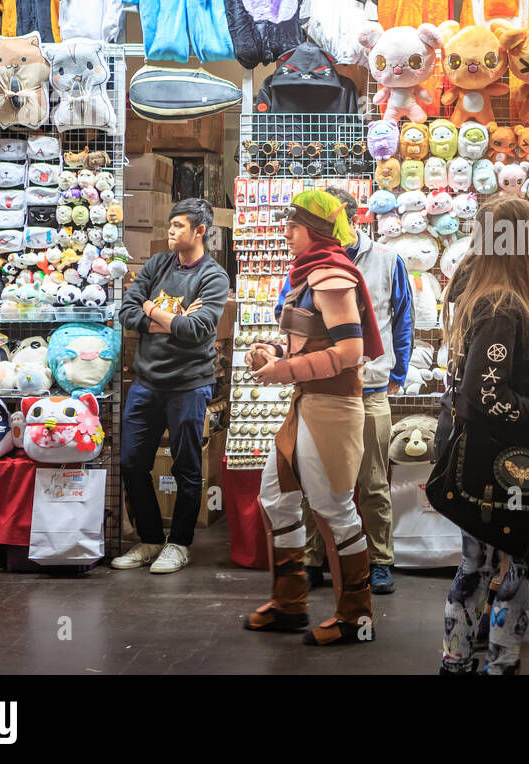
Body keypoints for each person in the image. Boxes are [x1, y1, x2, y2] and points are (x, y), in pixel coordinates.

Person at [243, 190, 383, 645]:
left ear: (316, 230)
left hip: (330, 408)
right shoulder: (311, 275)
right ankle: (290, 604)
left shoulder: (331, 276)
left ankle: (355, 618)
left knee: (336, 511)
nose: (286, 231)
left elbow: (349, 351)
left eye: (294, 224)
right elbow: (314, 343)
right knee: (276, 498)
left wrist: (283, 368)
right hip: (308, 405)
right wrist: (273, 352)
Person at [437, 195, 529, 675]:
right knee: (527, 556)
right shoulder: (503, 306)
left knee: (480, 559)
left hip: (475, 452)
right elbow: (485, 394)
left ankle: (460, 660)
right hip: (496, 457)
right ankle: (500, 661)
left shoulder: (474, 291)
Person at [276, 188, 413, 595]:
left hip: (369, 390)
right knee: (313, 481)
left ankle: (380, 559)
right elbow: (289, 314)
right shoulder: (304, 266)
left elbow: (401, 318)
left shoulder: (387, 261)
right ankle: (315, 557)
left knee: (372, 481)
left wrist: (397, 372)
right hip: (318, 390)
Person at [113, 199, 229, 574]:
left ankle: (179, 543)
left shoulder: (213, 277)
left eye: (179, 225)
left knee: (186, 468)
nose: (171, 231)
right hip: (147, 382)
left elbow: (197, 330)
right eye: (170, 224)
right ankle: (149, 540)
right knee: (132, 463)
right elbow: (126, 311)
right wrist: (167, 316)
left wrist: (152, 309)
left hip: (189, 386)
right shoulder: (158, 264)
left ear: (200, 231)